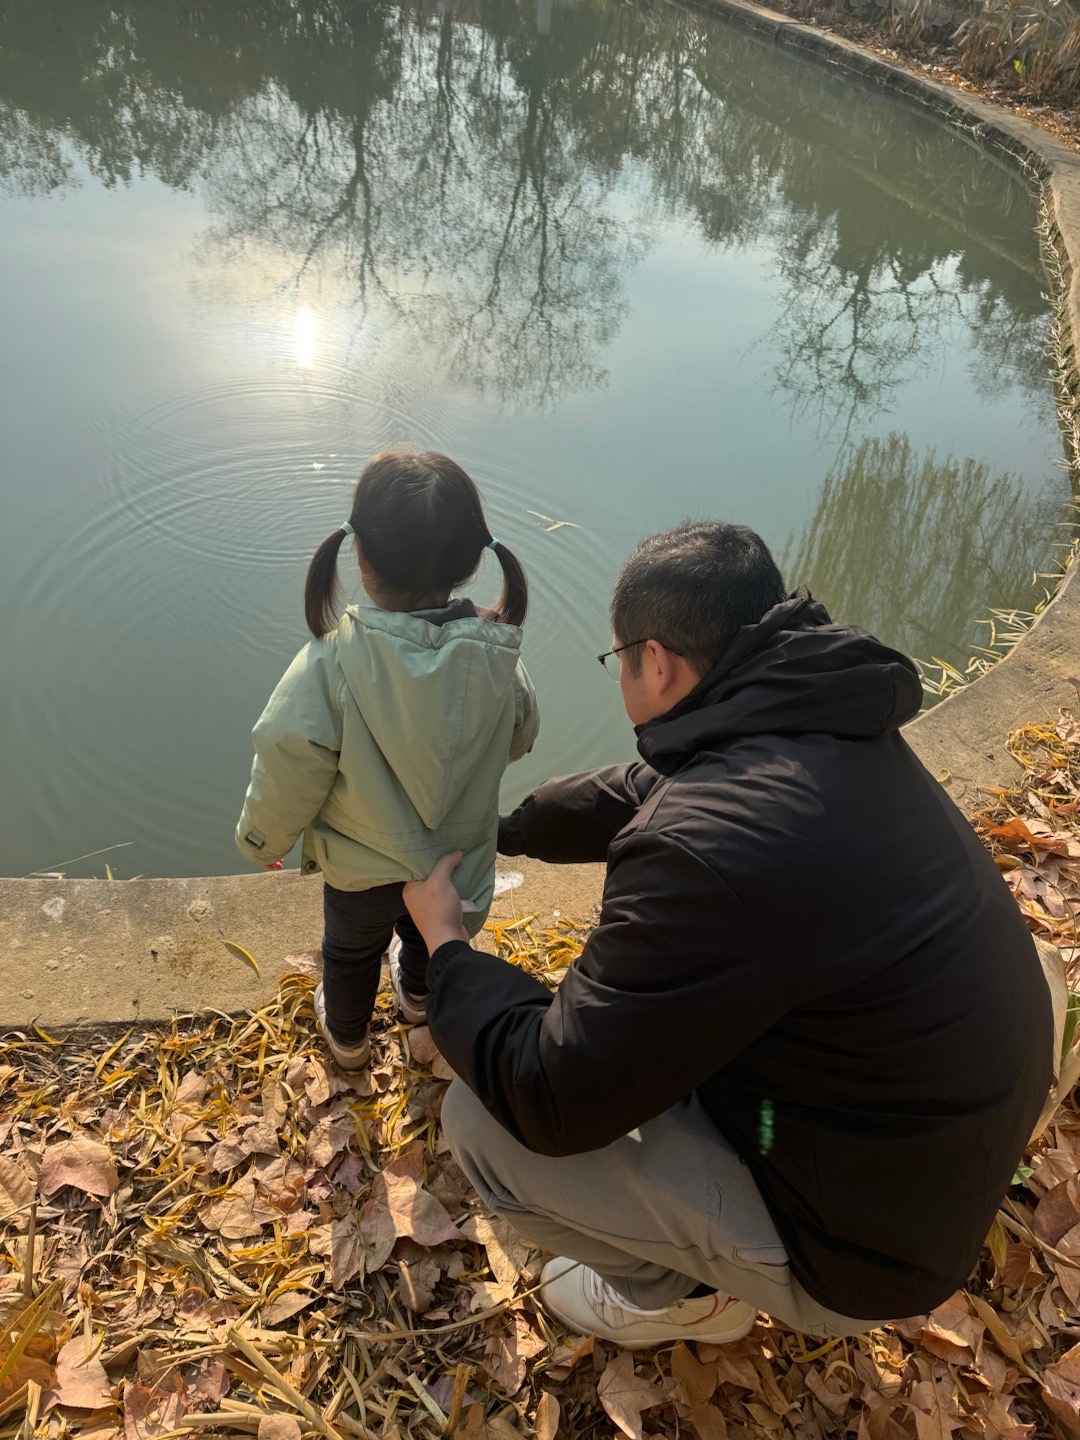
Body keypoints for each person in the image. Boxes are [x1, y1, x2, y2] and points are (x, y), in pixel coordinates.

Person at [402, 520, 1052, 1348]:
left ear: (656, 662)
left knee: (483, 1124)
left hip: (868, 1250)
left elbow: (551, 1094)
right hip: (940, 1139)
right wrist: (509, 828)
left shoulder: (703, 850)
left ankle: (678, 1299)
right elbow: (643, 787)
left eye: (618, 661)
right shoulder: (817, 711)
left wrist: (448, 949)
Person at [235, 449, 538, 1071]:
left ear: (361, 557)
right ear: (473, 560)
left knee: (349, 955)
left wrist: (263, 837)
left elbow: (290, 757)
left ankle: (347, 1043)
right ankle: (419, 997)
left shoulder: (329, 662)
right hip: (453, 861)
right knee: (431, 933)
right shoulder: (498, 656)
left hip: (359, 870)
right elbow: (520, 736)